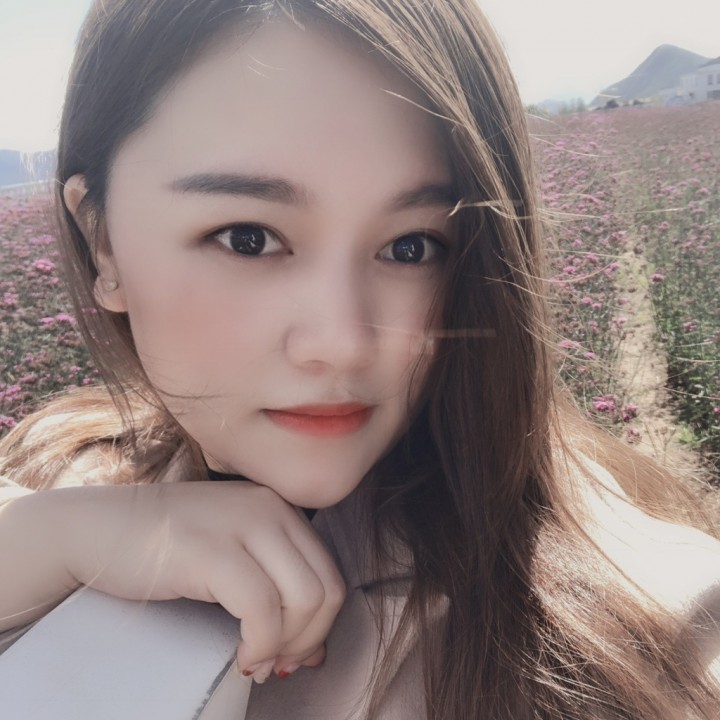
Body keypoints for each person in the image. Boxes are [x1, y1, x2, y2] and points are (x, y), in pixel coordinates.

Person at [0, 1, 719, 718]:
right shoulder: (60, 466)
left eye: (411, 247)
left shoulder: (651, 640)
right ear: (102, 241)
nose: (344, 342)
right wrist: (42, 543)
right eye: (248, 238)